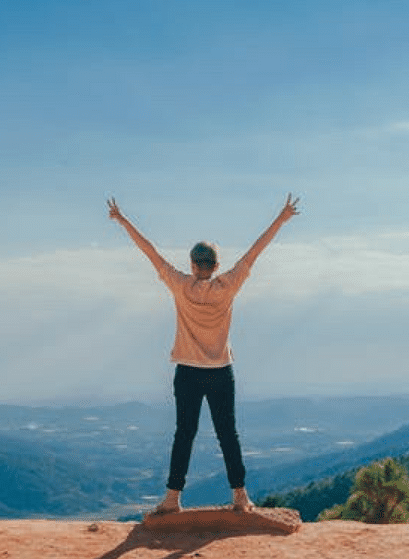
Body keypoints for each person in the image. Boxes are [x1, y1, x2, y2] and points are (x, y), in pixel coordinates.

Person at [108, 194, 300, 515]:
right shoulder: (229, 285)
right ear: (216, 266)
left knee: (184, 433)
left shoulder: (179, 285)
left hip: (187, 371)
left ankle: (172, 498)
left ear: (193, 264)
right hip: (221, 371)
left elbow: (149, 252)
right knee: (228, 434)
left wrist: (123, 220)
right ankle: (240, 496)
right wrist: (281, 218)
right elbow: (255, 252)